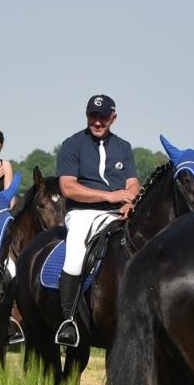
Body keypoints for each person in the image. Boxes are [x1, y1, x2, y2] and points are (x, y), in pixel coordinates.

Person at [53, 94, 139, 347]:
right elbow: (68, 187)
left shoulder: (124, 147)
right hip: (82, 213)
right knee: (76, 255)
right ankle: (68, 321)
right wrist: (108, 195)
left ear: (113, 117)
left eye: (103, 116)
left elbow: (132, 182)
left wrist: (129, 200)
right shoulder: (72, 144)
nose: (98, 121)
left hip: (116, 213)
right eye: (93, 116)